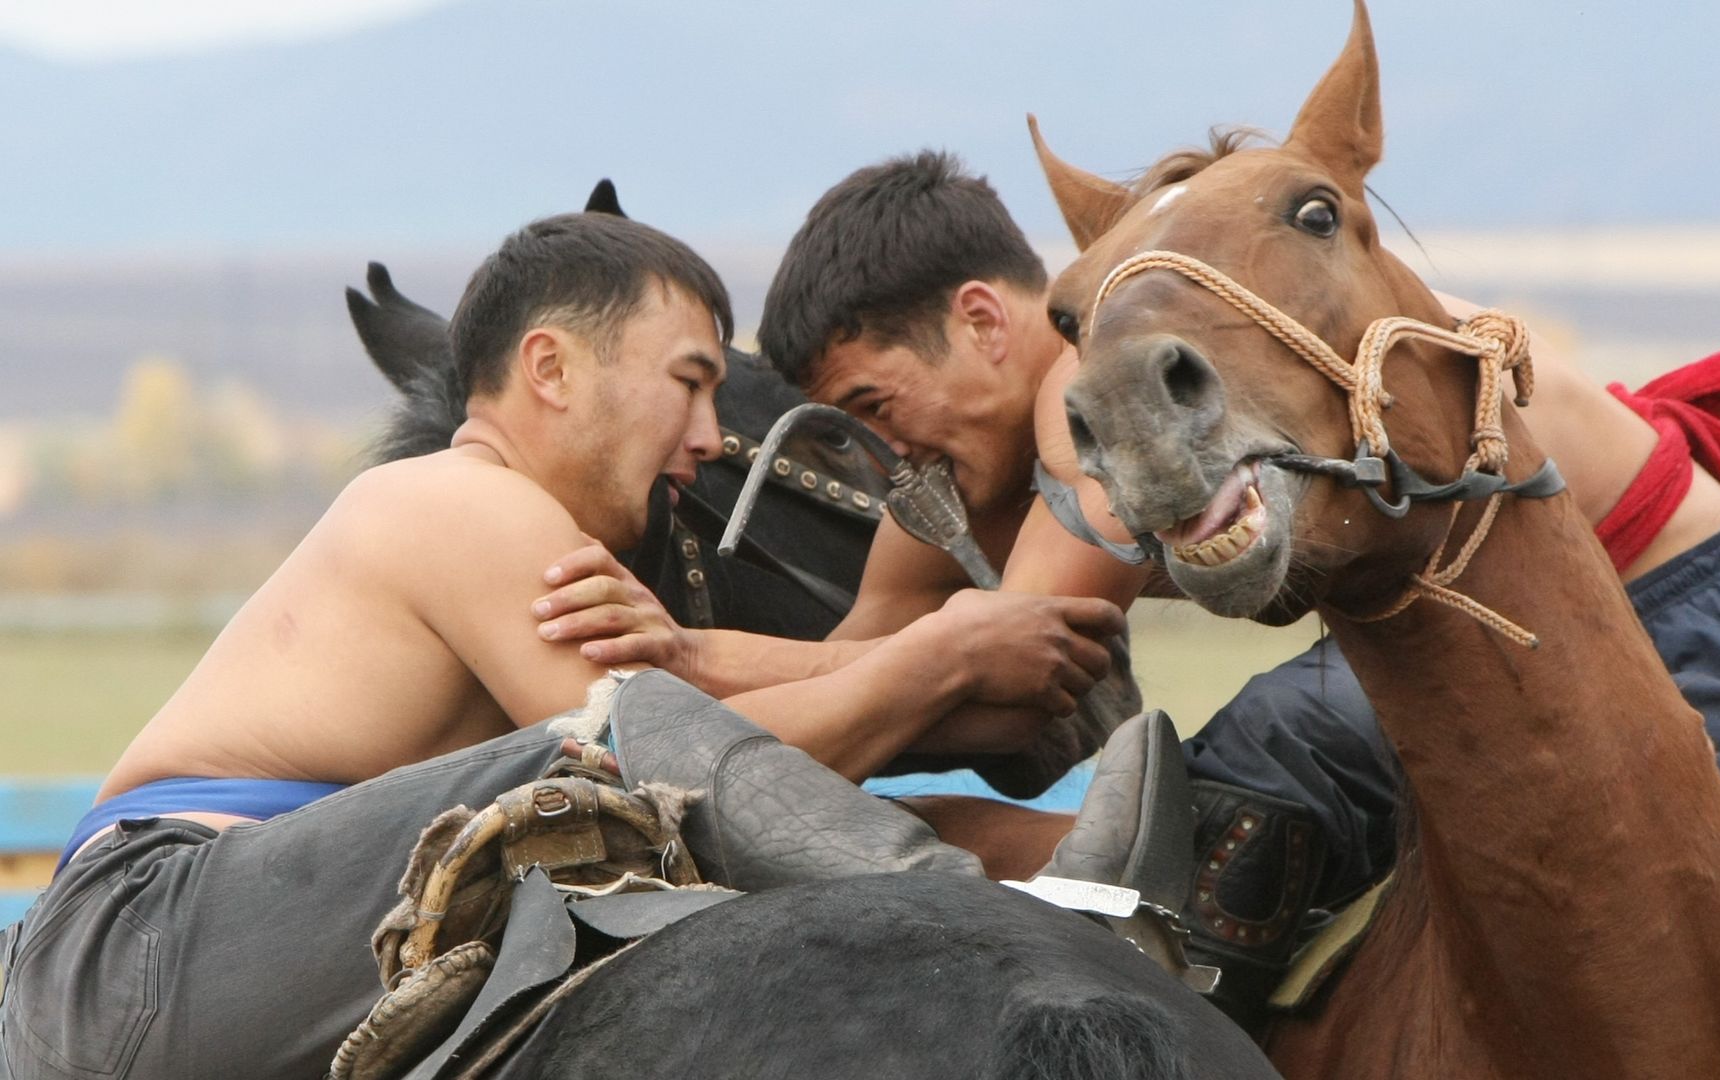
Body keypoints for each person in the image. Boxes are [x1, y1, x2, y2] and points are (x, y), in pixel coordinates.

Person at [541, 149, 1720, 1076]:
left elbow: (1005, 674)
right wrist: (678, 673)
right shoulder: (963, 462)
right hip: (1433, 636)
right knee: (1254, 774)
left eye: (876, 410)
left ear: (984, 322)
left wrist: (683, 666)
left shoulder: (1097, 393)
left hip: (1689, 609)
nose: (886, 456)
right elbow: (875, 658)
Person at [0, 211, 1129, 1079]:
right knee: (589, 779)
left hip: (220, 951)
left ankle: (1086, 879)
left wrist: (946, 680)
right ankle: (972, 902)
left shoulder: (510, 536)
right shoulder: (461, 500)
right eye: (688, 383)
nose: (708, 437)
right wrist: (935, 661)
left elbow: (742, 750)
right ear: (550, 369)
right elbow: (669, 771)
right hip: (135, 941)